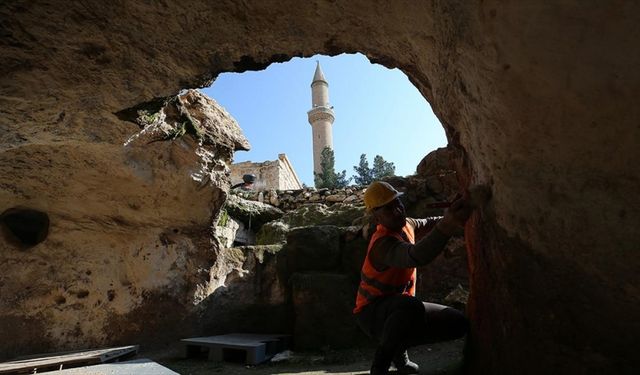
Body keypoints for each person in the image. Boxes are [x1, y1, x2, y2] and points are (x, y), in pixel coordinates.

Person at [353, 181, 473, 375]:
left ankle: (399, 353)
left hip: (397, 310)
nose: (397, 211)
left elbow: (430, 222)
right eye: (388, 208)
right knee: (409, 307)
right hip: (371, 314)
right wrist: (449, 223)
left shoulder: (407, 223)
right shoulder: (382, 244)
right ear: (376, 216)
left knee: (458, 324)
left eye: (397, 203)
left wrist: (452, 212)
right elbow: (416, 255)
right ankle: (380, 367)